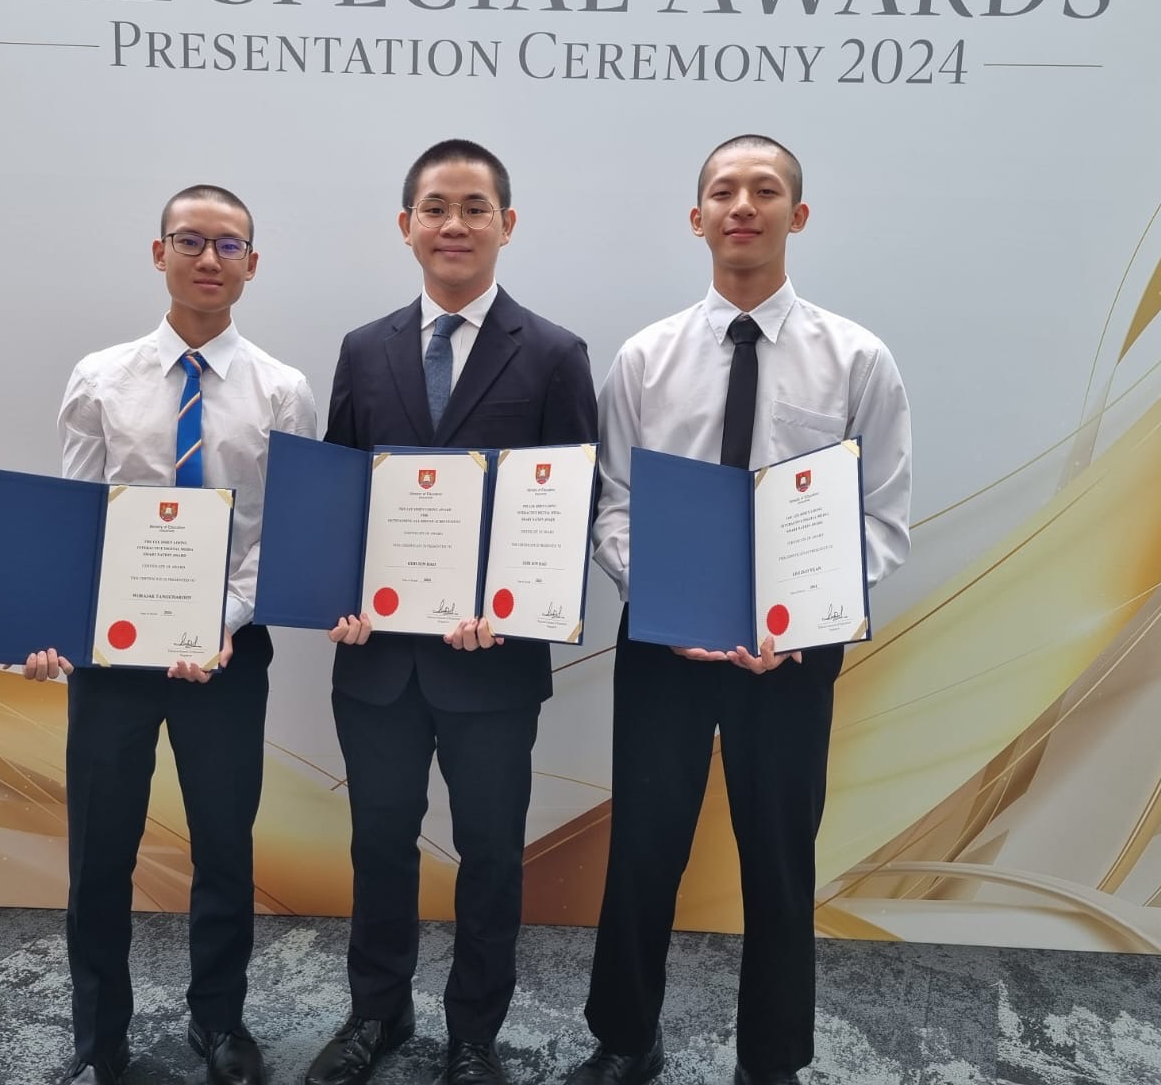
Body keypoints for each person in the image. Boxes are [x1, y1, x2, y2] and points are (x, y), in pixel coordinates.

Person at [565, 135, 912, 1085]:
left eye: (766, 191)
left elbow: (882, 520)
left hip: (792, 658)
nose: (743, 206)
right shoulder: (645, 359)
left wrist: (802, 622)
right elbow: (613, 509)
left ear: (798, 216)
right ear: (698, 217)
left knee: (779, 859)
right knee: (643, 848)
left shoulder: (858, 359)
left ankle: (773, 1060)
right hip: (667, 647)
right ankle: (625, 1037)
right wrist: (671, 602)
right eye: (724, 191)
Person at [304, 139, 598, 1085]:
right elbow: (339, 492)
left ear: (507, 225)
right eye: (437, 207)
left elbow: (572, 503)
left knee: (490, 857)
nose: (455, 225)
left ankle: (475, 1034)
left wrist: (515, 606)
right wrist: (333, 596)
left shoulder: (553, 354)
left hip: (492, 664)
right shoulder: (364, 348)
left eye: (476, 207)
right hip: (380, 662)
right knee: (379, 846)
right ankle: (376, 1017)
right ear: (407, 227)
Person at [23, 184, 318, 1085]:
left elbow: (284, 536)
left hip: (225, 658)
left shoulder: (283, 390)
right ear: (159, 254)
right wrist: (53, 630)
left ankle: (219, 1024)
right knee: (100, 852)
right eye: (190, 241)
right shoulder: (100, 378)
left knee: (225, 846)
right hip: (113, 658)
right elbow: (77, 522)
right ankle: (98, 1035)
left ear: (251, 266)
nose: (207, 259)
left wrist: (220, 622)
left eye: (228, 246)